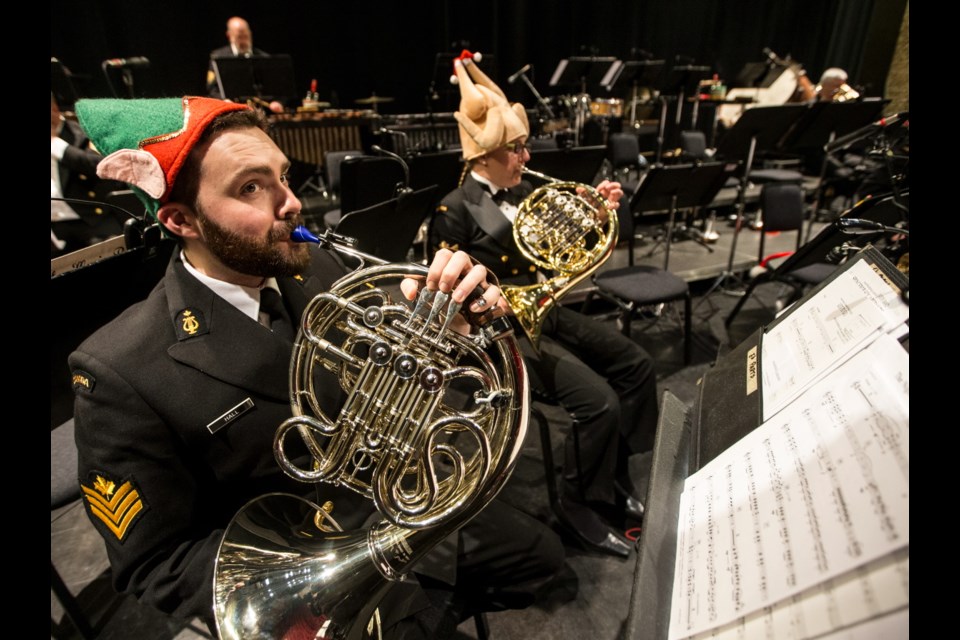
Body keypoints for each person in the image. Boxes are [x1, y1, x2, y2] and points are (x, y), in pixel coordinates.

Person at [69, 96, 566, 638]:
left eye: (283, 177)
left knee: (542, 561)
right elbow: (154, 563)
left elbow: (383, 382)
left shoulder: (317, 268)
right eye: (251, 188)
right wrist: (313, 588)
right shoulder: (118, 370)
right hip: (308, 579)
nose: (291, 203)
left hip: (395, 506)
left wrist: (448, 329)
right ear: (180, 219)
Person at [430, 51, 659, 558]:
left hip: (542, 311)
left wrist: (594, 214)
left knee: (637, 365)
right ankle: (580, 505)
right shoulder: (453, 210)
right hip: (494, 333)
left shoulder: (523, 187)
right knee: (597, 401)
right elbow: (446, 300)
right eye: (515, 149)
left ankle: (615, 476)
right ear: (483, 157)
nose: (527, 158)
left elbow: (561, 257)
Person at [50, 93, 125, 256]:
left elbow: (103, 165)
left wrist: (56, 145)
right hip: (55, 230)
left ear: (54, 107)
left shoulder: (82, 132)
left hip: (92, 221)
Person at [206, 16, 268, 98]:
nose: (243, 41)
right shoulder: (218, 57)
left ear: (250, 33)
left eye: (245, 37)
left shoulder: (263, 57)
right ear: (229, 36)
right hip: (230, 107)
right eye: (239, 37)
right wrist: (224, 101)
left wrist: (278, 102)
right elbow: (212, 89)